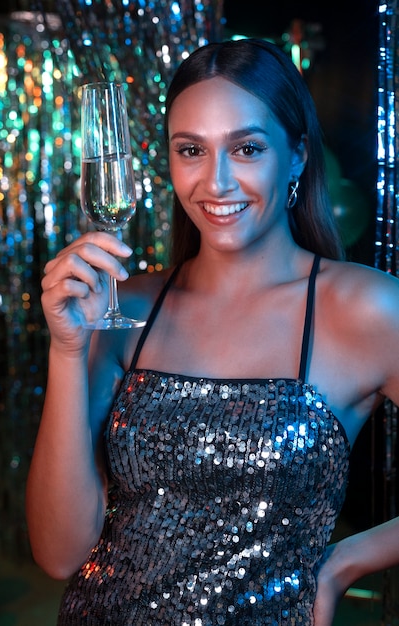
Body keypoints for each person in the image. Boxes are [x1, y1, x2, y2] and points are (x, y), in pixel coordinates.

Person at [26, 38, 399, 626]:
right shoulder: (125, 307)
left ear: (297, 155)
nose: (216, 182)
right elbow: (58, 553)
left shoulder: (366, 309)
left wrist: (346, 560)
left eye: (247, 148)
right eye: (191, 150)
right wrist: (69, 349)